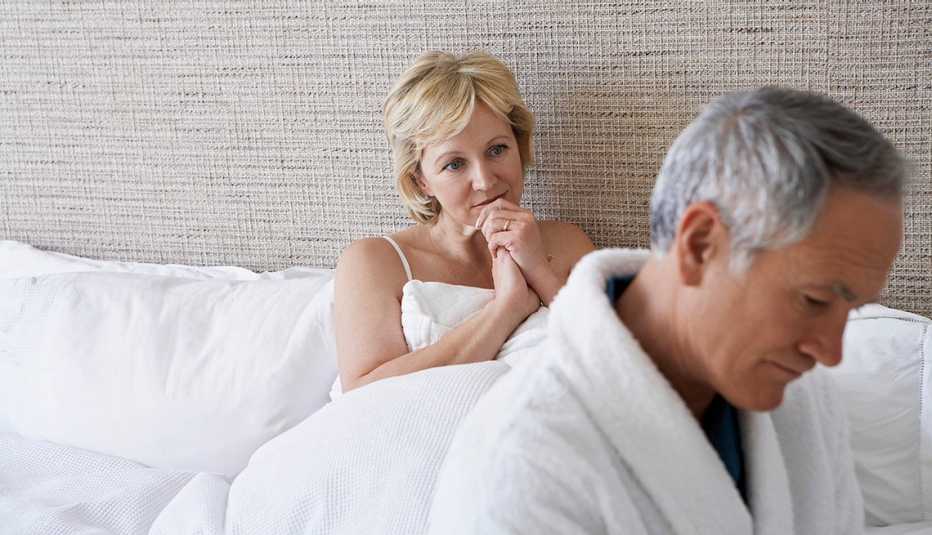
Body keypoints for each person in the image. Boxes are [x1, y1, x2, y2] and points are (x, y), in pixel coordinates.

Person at [428, 87, 906, 534]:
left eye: (851, 310)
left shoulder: (805, 401)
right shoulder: (519, 473)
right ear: (700, 245)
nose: (830, 352)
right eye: (815, 301)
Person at [333, 51, 595, 394]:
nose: (485, 180)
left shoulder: (566, 243)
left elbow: (616, 362)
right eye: (455, 164)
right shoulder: (374, 262)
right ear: (421, 181)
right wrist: (506, 309)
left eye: (497, 149)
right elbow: (364, 395)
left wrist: (538, 273)